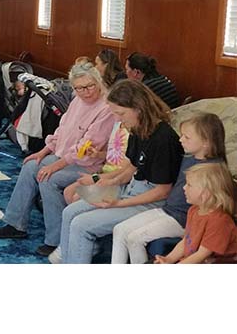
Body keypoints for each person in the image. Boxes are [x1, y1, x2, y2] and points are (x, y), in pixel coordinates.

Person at [0, 63, 117, 257]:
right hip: (64, 157)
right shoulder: (77, 101)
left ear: (98, 82)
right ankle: (15, 224)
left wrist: (55, 165)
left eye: (89, 86)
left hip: (88, 164)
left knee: (48, 178)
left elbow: (85, 148)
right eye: (79, 88)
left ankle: (56, 240)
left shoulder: (106, 108)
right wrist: (43, 152)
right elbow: (61, 131)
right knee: (31, 165)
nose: (85, 92)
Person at [56, 79, 184, 264]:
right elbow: (132, 167)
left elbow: (162, 191)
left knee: (81, 224)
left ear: (138, 108)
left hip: (150, 200)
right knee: (70, 212)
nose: (117, 119)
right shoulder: (138, 129)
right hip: (130, 189)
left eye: (120, 113)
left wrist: (119, 203)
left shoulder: (164, 139)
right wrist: (106, 182)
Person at [112, 113, 227, 263]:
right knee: (119, 229)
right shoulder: (188, 157)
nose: (180, 140)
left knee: (135, 238)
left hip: (184, 218)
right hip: (168, 209)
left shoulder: (212, 169)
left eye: (187, 137)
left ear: (206, 142)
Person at [154, 162, 237, 264]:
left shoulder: (219, 222)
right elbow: (186, 241)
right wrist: (169, 259)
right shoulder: (194, 210)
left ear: (206, 193)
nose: (184, 187)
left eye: (189, 185)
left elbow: (201, 255)